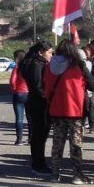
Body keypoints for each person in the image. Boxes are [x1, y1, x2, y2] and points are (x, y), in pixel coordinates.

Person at [44, 40, 94, 185]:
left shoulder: (49, 66)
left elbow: (45, 86)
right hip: (75, 111)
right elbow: (93, 86)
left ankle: (55, 174)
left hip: (56, 110)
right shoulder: (77, 66)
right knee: (76, 144)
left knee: (57, 143)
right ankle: (77, 175)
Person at [20, 41, 54, 177]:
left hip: (38, 102)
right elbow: (37, 86)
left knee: (40, 135)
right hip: (38, 103)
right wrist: (48, 97)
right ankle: (38, 164)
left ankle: (39, 162)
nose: (51, 55)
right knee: (39, 135)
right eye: (49, 53)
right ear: (40, 52)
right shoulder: (35, 65)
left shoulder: (39, 63)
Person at [9, 49, 29, 145]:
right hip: (28, 93)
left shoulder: (17, 68)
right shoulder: (28, 67)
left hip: (18, 93)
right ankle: (30, 138)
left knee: (19, 118)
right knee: (30, 118)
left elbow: (12, 81)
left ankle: (19, 139)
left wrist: (14, 90)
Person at [82, 45, 94, 133]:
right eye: (84, 50)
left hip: (90, 87)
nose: (86, 52)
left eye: (87, 50)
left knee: (91, 106)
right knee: (86, 107)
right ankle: (85, 125)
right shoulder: (86, 62)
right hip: (85, 88)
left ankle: (92, 125)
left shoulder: (89, 63)